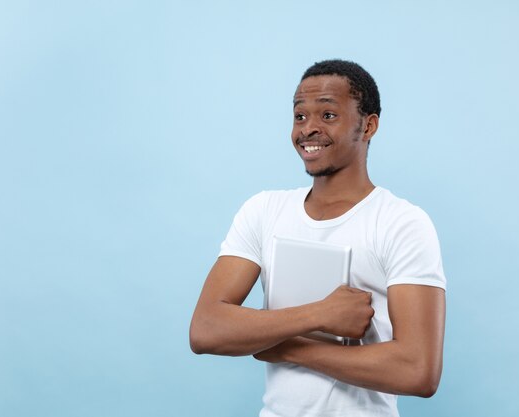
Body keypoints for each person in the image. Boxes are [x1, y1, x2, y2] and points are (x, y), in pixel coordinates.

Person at [189, 59, 446, 417]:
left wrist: (290, 347)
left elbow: (418, 370)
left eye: (327, 115)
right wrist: (319, 315)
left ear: (368, 125)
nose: (308, 129)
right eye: (299, 116)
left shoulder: (401, 223)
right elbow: (206, 329)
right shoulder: (263, 210)